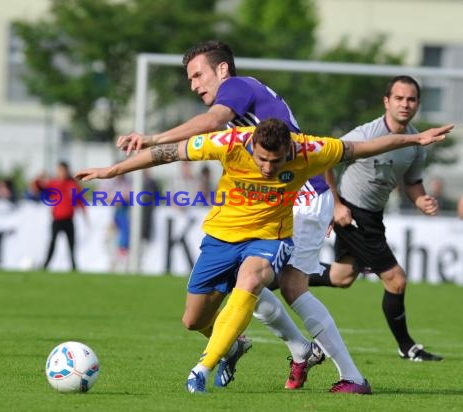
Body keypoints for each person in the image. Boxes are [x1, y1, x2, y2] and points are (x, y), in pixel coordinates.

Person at [77, 118, 452, 394]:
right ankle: (233, 345)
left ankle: (202, 369)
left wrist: (415, 138)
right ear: (251, 145)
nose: (269, 168)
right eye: (262, 160)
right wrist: (113, 169)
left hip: (269, 238)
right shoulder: (230, 142)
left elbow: (362, 148)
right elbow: (167, 153)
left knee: (254, 278)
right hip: (221, 237)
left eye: (276, 161)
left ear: (289, 149)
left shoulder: (309, 149)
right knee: (192, 320)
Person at [118, 40, 355, 392]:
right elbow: (313, 146)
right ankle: (301, 348)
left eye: (198, 75)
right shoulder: (250, 110)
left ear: (223, 70)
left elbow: (212, 122)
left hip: (302, 198)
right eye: (190, 79)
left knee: (285, 286)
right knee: (249, 282)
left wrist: (152, 138)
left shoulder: (237, 88)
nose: (195, 85)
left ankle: (351, 375)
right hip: (290, 197)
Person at [308, 76, 444, 362]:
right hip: (353, 213)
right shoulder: (366, 134)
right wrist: (336, 206)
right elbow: (324, 160)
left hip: (372, 214)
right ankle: (407, 346)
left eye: (411, 99)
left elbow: (412, 181)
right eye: (399, 98)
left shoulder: (416, 142)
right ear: (386, 101)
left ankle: (281, 275)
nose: (405, 104)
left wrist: (421, 200)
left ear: (418, 104)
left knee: (342, 277)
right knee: (396, 280)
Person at [37, 161, 87, 271]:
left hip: (69, 220)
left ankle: (74, 267)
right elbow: (38, 187)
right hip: (57, 220)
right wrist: (39, 177)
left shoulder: (72, 185)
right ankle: (45, 265)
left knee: (71, 245)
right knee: (53, 243)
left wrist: (85, 215)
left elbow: (80, 201)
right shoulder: (53, 184)